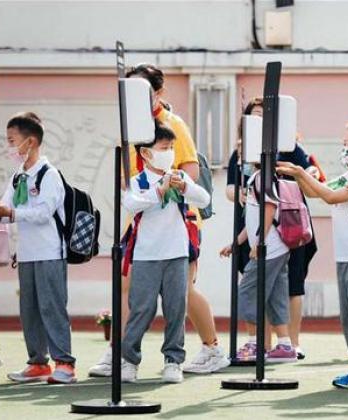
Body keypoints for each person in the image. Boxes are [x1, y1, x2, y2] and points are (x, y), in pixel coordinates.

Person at [89, 63, 229, 377]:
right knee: (126, 284)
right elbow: (126, 175)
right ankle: (119, 352)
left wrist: (169, 188)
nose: (137, 97)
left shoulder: (172, 124)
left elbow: (191, 170)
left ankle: (212, 348)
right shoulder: (129, 127)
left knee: (183, 292)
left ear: (159, 92)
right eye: (131, 91)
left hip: (180, 220)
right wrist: (141, 194)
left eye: (144, 90)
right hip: (141, 220)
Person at [278, 119, 348, 389]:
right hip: (347, 255)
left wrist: (301, 174)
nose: (346, 149)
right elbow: (318, 192)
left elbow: (330, 197)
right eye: (344, 144)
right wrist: (302, 175)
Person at [225, 97, 318, 359]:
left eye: (263, 117)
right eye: (253, 117)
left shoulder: (288, 147)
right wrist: (240, 196)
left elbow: (309, 173)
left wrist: (260, 241)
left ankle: (275, 343)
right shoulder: (242, 154)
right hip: (258, 234)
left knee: (278, 287)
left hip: (284, 230)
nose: (258, 123)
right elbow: (231, 188)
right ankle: (274, 344)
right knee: (270, 288)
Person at [120, 122, 210, 383]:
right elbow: (133, 205)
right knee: (141, 309)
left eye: (171, 147)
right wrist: (160, 190)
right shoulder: (138, 182)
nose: (169, 152)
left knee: (175, 308)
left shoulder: (179, 177)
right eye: (164, 148)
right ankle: (129, 361)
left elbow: (203, 199)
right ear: (146, 153)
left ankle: (173, 361)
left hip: (176, 254)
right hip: (146, 255)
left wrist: (184, 187)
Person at [0, 112, 77, 384]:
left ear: (30, 142)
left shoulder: (49, 174)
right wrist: (0, 212)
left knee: (52, 307)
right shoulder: (18, 176)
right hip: (28, 254)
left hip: (51, 252)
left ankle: (65, 364)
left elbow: (42, 212)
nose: (9, 147)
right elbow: (5, 207)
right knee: (29, 310)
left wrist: (12, 213)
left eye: (12, 140)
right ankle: (38, 364)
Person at [220, 162, 297, 363]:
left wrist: (260, 242)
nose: (239, 150)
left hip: (268, 250)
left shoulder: (262, 177)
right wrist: (236, 243)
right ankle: (285, 346)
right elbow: (254, 219)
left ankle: (254, 345)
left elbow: (269, 210)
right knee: (275, 296)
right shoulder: (260, 177)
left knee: (247, 291)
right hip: (277, 249)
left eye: (242, 145)